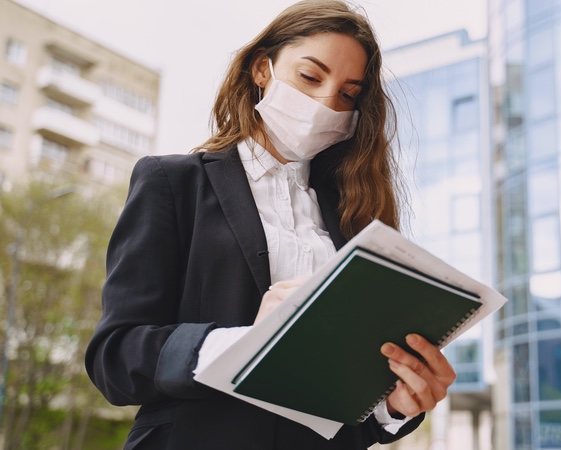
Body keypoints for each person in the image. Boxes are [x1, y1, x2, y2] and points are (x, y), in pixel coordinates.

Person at [85, 1, 457, 449]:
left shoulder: (352, 218)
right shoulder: (173, 183)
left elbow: (349, 406)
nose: (326, 103)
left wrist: (395, 404)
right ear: (263, 69)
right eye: (310, 77)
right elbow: (115, 357)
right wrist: (247, 345)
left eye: (347, 94)